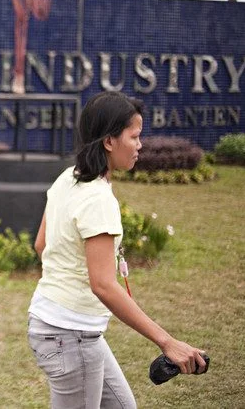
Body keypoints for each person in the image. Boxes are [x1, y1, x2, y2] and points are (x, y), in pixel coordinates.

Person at [29, 91, 207, 408]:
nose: (140, 145)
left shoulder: (67, 179)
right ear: (110, 141)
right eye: (134, 136)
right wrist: (168, 342)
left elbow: (41, 245)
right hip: (68, 335)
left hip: (64, 328)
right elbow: (103, 285)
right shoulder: (98, 199)